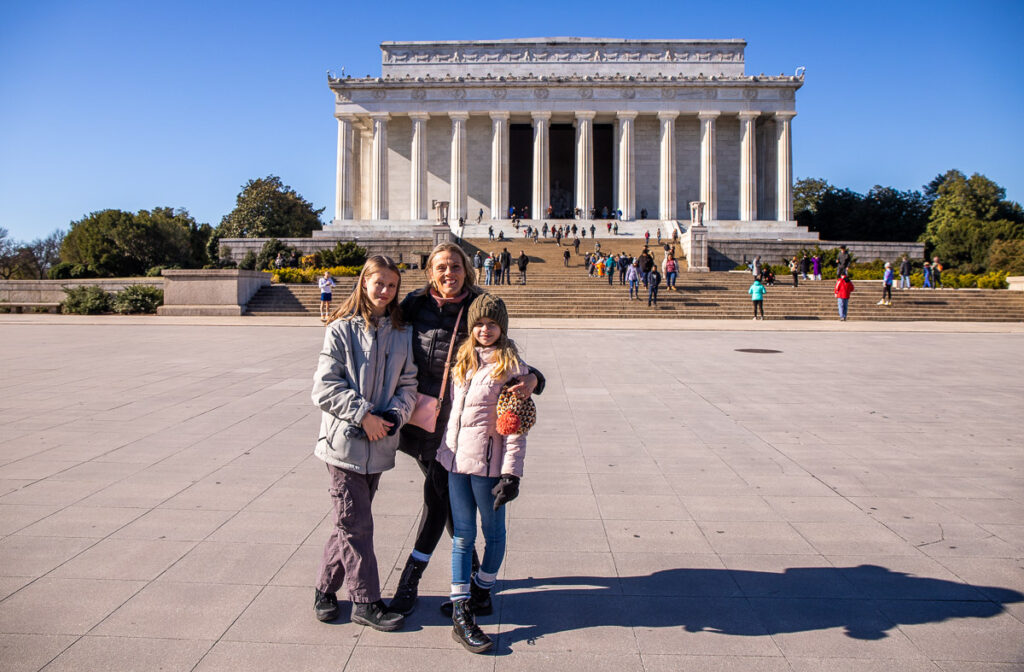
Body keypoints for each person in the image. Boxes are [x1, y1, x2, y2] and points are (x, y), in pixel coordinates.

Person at [388, 243, 544, 618]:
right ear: (430, 272)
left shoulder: (479, 306)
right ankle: (476, 587)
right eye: (441, 267)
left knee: (439, 503)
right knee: (445, 505)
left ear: (467, 270)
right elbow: (381, 329)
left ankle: (419, 582)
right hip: (425, 425)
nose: (448, 273)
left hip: (463, 434)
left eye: (455, 266)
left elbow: (509, 359)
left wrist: (535, 378)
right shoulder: (414, 304)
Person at [312, 256, 418, 631]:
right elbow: (324, 387)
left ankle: (325, 590)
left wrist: (394, 417)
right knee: (357, 526)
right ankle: (365, 601)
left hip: (380, 445)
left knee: (348, 522)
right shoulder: (341, 329)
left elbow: (408, 384)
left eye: (392, 286)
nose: (386, 292)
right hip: (345, 445)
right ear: (364, 283)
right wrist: (364, 415)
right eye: (379, 284)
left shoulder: (402, 332)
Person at [434, 294, 530, 653]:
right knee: (462, 536)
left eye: (492, 324)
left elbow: (515, 427)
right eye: (479, 324)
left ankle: (482, 589)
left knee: (493, 534)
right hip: (456, 463)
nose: (484, 330)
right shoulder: (464, 361)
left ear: (502, 327)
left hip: (489, 469)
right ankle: (462, 610)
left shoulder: (511, 367)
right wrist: (442, 454)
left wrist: (512, 474)